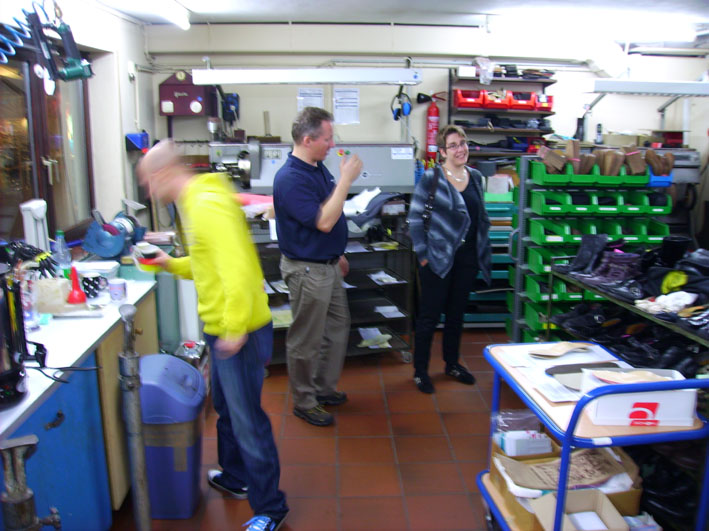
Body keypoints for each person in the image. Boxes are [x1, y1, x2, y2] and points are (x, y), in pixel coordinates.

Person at [137, 140, 288, 531]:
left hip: (239, 329)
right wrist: (170, 263)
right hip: (222, 325)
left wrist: (235, 330)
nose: (148, 191)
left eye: (148, 181)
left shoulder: (205, 206)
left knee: (247, 420)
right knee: (225, 406)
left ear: (162, 174)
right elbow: (209, 264)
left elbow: (236, 270)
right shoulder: (197, 201)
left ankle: (271, 509)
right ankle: (236, 477)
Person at [273, 107, 363, 427]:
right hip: (307, 271)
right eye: (327, 138)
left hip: (327, 263)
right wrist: (346, 180)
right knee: (306, 339)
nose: (332, 144)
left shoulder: (317, 168)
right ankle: (304, 401)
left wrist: (337, 253)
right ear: (308, 140)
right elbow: (324, 222)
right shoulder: (290, 178)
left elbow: (330, 211)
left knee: (337, 329)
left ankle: (323, 389)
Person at [407, 124, 492, 394]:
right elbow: (415, 220)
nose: (460, 149)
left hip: (467, 260)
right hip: (436, 260)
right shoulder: (431, 178)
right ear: (442, 152)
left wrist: (481, 252)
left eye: (463, 143)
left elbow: (479, 218)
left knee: (456, 315)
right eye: (453, 145)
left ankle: (452, 364)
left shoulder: (476, 177)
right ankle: (420, 371)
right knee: (429, 317)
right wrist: (423, 257)